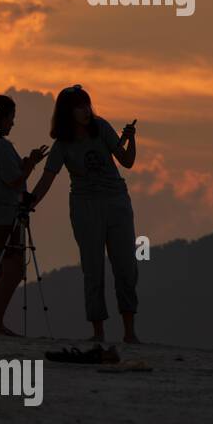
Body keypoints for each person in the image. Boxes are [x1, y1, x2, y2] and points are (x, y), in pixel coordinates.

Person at [28, 85, 140, 343]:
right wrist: (30, 202)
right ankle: (98, 332)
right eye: (80, 106)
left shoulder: (101, 127)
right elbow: (47, 180)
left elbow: (127, 161)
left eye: (87, 104)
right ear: (68, 112)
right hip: (84, 206)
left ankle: (129, 332)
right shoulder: (62, 144)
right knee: (93, 269)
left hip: (116, 202)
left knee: (126, 267)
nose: (86, 110)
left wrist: (131, 137)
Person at [0, 94, 49, 336]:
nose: (12, 123)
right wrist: (32, 163)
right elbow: (13, 180)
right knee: (14, 270)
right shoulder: (2, 148)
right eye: (10, 118)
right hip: (5, 217)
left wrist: (25, 164)